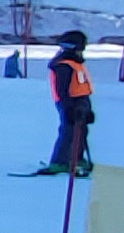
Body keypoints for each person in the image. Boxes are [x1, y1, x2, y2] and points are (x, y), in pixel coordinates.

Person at [30, 29, 95, 175]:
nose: (82, 52)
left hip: (81, 100)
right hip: (71, 102)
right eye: (81, 48)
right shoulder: (64, 65)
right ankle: (59, 161)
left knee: (82, 131)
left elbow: (80, 84)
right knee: (69, 131)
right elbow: (62, 89)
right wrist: (69, 108)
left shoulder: (75, 63)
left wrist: (87, 110)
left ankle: (76, 157)